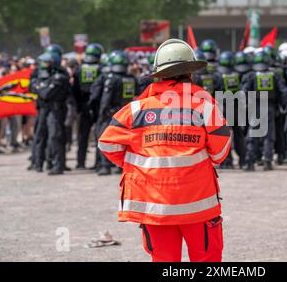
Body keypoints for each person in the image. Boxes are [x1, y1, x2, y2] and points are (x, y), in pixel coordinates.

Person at [98, 39, 231, 262]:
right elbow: (220, 152)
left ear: (159, 76)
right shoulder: (205, 107)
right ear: (190, 74)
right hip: (198, 206)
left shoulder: (136, 108)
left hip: (155, 207)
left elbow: (107, 143)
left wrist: (137, 164)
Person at [242, 50, 287, 171]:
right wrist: (283, 106)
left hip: (255, 107)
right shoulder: (275, 75)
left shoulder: (251, 75)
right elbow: (283, 92)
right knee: (269, 135)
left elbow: (244, 92)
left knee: (253, 134)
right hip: (269, 107)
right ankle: (267, 161)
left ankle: (250, 161)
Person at [95, 50, 138, 176]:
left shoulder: (111, 79)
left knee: (105, 138)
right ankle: (121, 166)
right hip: (128, 114)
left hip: (111, 114)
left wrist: (102, 113)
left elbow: (106, 99)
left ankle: (105, 165)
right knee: (124, 141)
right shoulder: (132, 79)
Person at [30, 52, 70, 175]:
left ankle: (58, 165)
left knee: (55, 136)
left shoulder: (60, 77)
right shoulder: (41, 74)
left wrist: (39, 87)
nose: (43, 65)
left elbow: (46, 93)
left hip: (55, 110)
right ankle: (38, 163)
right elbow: (31, 87)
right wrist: (40, 87)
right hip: (43, 109)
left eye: (46, 62)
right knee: (39, 136)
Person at [73, 43, 104, 169]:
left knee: (82, 135)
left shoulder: (79, 69)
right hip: (98, 105)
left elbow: (74, 89)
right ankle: (98, 163)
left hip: (84, 105)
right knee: (99, 135)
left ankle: (80, 162)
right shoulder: (102, 69)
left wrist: (78, 106)